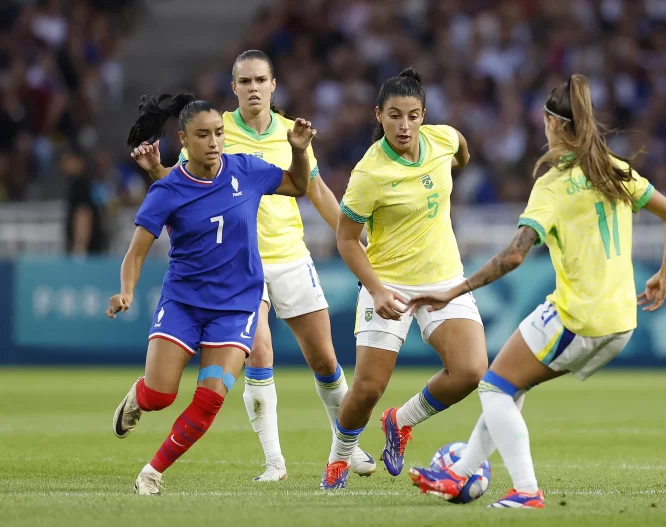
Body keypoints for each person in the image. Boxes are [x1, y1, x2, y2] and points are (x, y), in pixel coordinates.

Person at [407, 74, 666, 509]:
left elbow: (515, 255)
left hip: (579, 315)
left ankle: (525, 491)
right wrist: (664, 274)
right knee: (510, 385)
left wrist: (454, 290)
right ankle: (458, 474)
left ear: (552, 124)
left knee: (494, 387)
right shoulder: (616, 170)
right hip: (621, 323)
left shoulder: (553, 185)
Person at [131, 50, 375, 481]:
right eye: (245, 82)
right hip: (239, 267)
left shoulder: (291, 132)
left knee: (324, 358)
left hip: (292, 255)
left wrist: (353, 241)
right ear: (234, 88)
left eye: (260, 80)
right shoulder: (216, 128)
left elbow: (314, 190)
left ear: (273, 85)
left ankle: (349, 446)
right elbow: (183, 184)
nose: (253, 88)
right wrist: (155, 172)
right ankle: (274, 463)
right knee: (259, 352)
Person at [109, 92, 315, 495]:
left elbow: (298, 185)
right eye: (203, 135)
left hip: (237, 306)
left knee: (210, 400)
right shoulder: (167, 191)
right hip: (184, 303)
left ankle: (152, 471)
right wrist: (126, 292)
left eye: (219, 133)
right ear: (184, 140)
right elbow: (135, 253)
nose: (215, 142)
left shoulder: (247, 170)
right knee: (160, 397)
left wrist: (299, 152)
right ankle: (138, 396)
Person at [321, 68, 487, 489]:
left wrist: (457, 167)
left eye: (413, 115)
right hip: (388, 285)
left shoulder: (443, 139)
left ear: (424, 115)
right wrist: (375, 289)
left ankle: (401, 421)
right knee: (368, 389)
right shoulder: (369, 174)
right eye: (394, 115)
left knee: (470, 371)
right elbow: (345, 240)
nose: (404, 125)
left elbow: (461, 151)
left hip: (444, 279)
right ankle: (338, 459)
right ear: (379, 115)